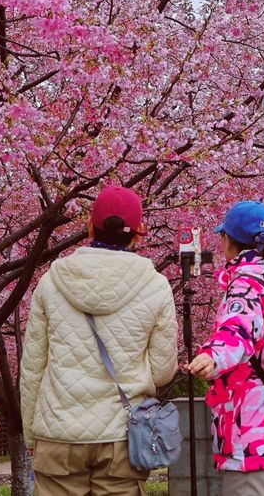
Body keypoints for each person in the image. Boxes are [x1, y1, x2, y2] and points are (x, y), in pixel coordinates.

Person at [20, 184, 178, 496]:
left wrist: (31, 435)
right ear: (138, 232)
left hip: (58, 432)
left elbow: (32, 370)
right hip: (122, 434)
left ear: (91, 225)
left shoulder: (51, 282)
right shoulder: (156, 286)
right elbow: (162, 372)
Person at [188, 200, 264, 496]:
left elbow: (237, 331)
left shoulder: (246, 286)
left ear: (228, 241)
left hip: (255, 446)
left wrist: (212, 356)